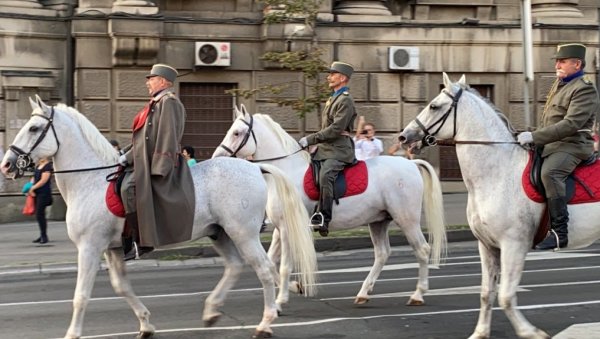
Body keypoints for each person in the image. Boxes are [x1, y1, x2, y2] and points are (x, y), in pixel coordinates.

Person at [517, 43, 600, 251]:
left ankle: (558, 232)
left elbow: (570, 124)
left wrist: (535, 136)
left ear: (577, 63)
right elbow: (550, 122)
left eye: (562, 61)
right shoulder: (560, 85)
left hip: (573, 145)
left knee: (550, 173)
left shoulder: (584, 88)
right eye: (557, 61)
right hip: (553, 144)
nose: (557, 64)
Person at [119, 63, 196, 260]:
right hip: (143, 158)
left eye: (151, 79)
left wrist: (161, 168)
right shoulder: (156, 103)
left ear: (163, 81)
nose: (148, 83)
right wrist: (124, 153)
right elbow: (142, 137)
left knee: (129, 188)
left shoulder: (169, 103)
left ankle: (142, 242)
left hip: (154, 162)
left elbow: (167, 138)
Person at [299, 61, 357, 237]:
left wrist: (310, 139)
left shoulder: (345, 100)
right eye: (329, 74)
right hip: (327, 147)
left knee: (326, 175)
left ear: (342, 78)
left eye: (332, 74)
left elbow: (335, 130)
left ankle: (324, 217)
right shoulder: (333, 98)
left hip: (339, 150)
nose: (328, 77)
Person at [28, 157, 53, 244]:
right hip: (36, 193)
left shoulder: (47, 166)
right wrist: (29, 187)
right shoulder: (38, 165)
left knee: (40, 214)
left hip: (44, 193)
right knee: (39, 215)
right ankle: (42, 235)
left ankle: (44, 236)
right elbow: (34, 178)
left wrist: (32, 188)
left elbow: (43, 181)